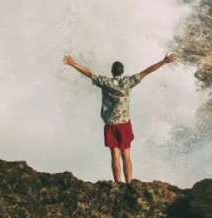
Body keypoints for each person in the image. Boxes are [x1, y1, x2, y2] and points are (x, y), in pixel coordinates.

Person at [62, 52, 177, 183]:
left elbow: (89, 73)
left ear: (112, 72)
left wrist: (73, 64)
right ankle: (129, 183)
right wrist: (164, 61)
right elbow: (147, 71)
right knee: (126, 156)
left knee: (115, 157)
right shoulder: (128, 82)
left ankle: (118, 184)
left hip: (111, 124)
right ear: (122, 72)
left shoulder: (106, 82)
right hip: (124, 124)